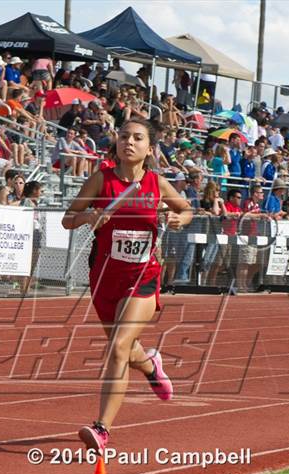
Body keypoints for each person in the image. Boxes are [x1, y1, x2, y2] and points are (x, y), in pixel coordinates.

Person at [61, 118, 192, 453]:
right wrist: (88, 217)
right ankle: (150, 365)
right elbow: (68, 219)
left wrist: (178, 219)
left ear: (149, 148)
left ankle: (101, 429)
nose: (129, 142)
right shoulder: (100, 181)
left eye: (137, 138)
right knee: (126, 348)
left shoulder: (157, 183)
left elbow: (186, 210)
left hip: (143, 277)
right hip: (105, 279)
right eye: (123, 137)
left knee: (119, 346)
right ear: (116, 143)